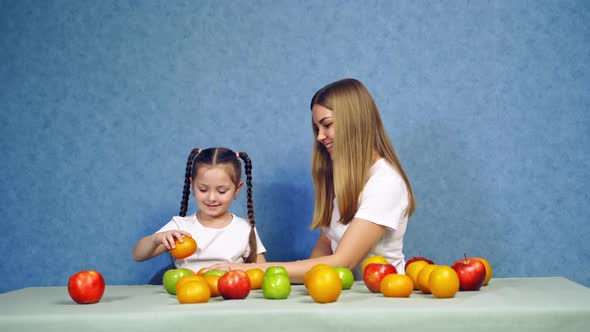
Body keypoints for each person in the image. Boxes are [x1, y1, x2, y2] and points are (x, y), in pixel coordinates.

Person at [207, 78, 415, 282]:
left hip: (381, 300)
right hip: (343, 296)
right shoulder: (346, 179)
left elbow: (344, 261)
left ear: (355, 122)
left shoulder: (385, 182)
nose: (320, 137)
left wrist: (256, 271)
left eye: (327, 125)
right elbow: (326, 244)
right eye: (317, 128)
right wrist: (310, 282)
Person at [132, 147, 267, 272]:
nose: (212, 197)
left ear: (237, 189)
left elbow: (261, 270)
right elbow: (138, 255)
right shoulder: (180, 226)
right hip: (189, 294)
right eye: (203, 189)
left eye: (222, 191)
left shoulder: (245, 228)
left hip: (229, 295)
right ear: (192, 185)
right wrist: (157, 239)